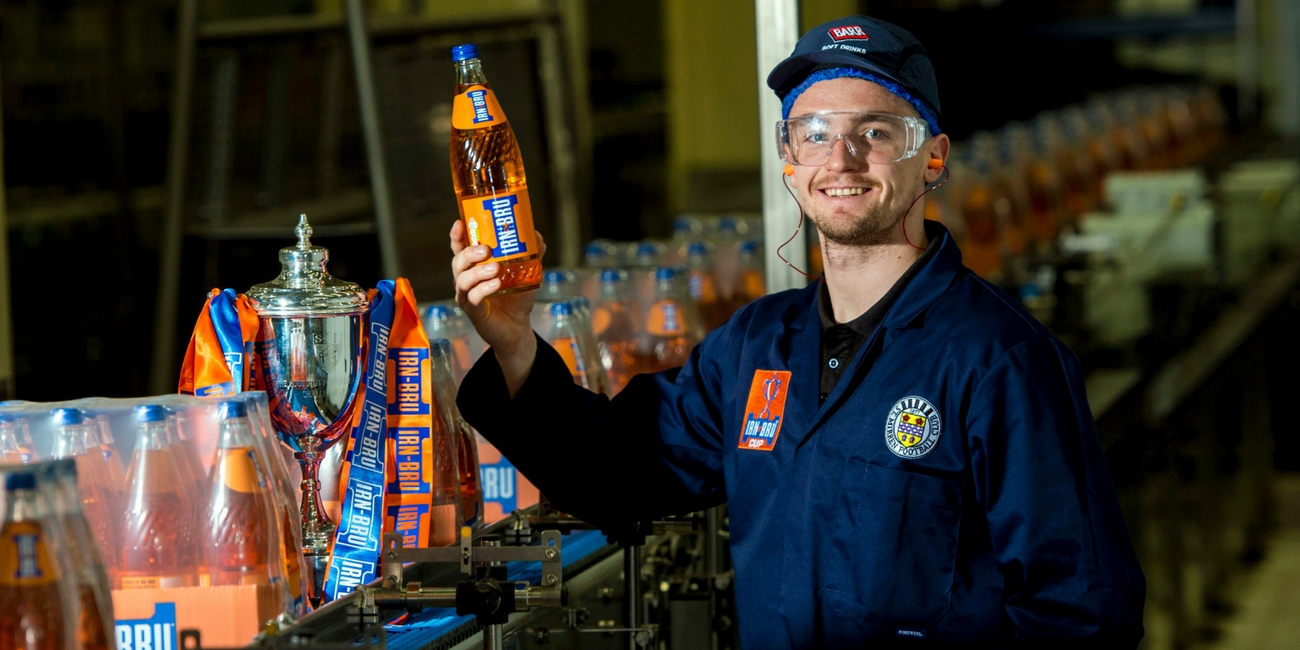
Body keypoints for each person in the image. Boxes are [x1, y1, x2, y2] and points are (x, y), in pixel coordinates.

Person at [449, 15, 1145, 648]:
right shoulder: (754, 347)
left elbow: (1082, 615)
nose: (839, 159)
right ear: (789, 162)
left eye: (875, 132)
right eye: (812, 133)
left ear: (932, 157)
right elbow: (612, 472)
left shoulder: (1001, 360)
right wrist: (513, 338)